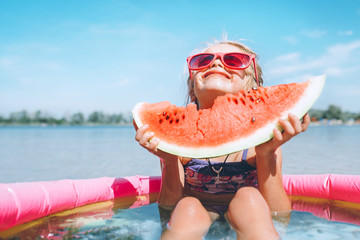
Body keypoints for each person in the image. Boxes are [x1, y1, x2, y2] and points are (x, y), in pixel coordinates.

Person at [135, 39, 310, 239]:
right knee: (187, 206)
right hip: (196, 214)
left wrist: (266, 153)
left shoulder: (262, 141)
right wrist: (169, 159)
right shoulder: (178, 142)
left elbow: (278, 213)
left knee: (249, 198)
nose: (216, 63)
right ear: (192, 91)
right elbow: (168, 208)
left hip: (249, 215)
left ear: (254, 92)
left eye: (234, 60)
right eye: (203, 60)